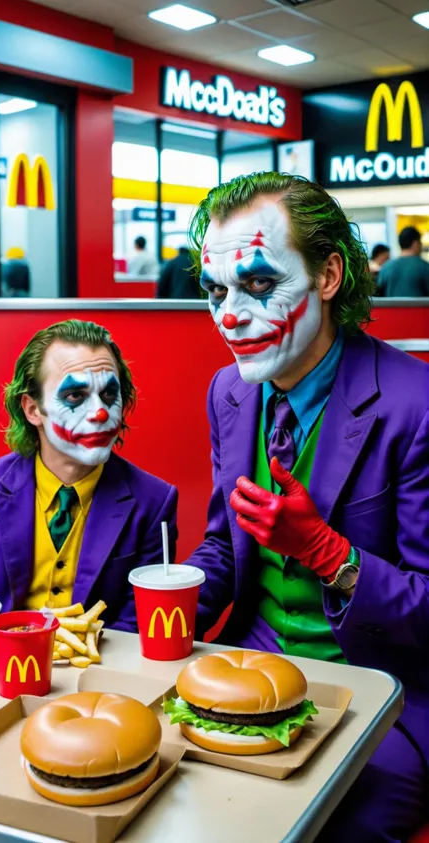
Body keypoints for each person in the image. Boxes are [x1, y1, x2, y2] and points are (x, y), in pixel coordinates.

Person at [186, 172, 429, 842]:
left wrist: (329, 553)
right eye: (216, 291)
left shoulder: (416, 402)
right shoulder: (227, 392)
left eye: (259, 284)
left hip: (385, 689)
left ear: (328, 275)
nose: (230, 315)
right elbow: (221, 545)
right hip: (250, 661)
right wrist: (139, 620)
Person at [0, 319, 177, 629]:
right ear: (33, 410)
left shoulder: (153, 501)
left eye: (110, 395)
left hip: (102, 667)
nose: (100, 413)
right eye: (75, 396)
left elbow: (137, 622)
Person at [378, 226, 429, 297]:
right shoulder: (424, 267)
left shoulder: (386, 267)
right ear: (415, 243)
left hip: (391, 308)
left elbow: (378, 295)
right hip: (417, 308)